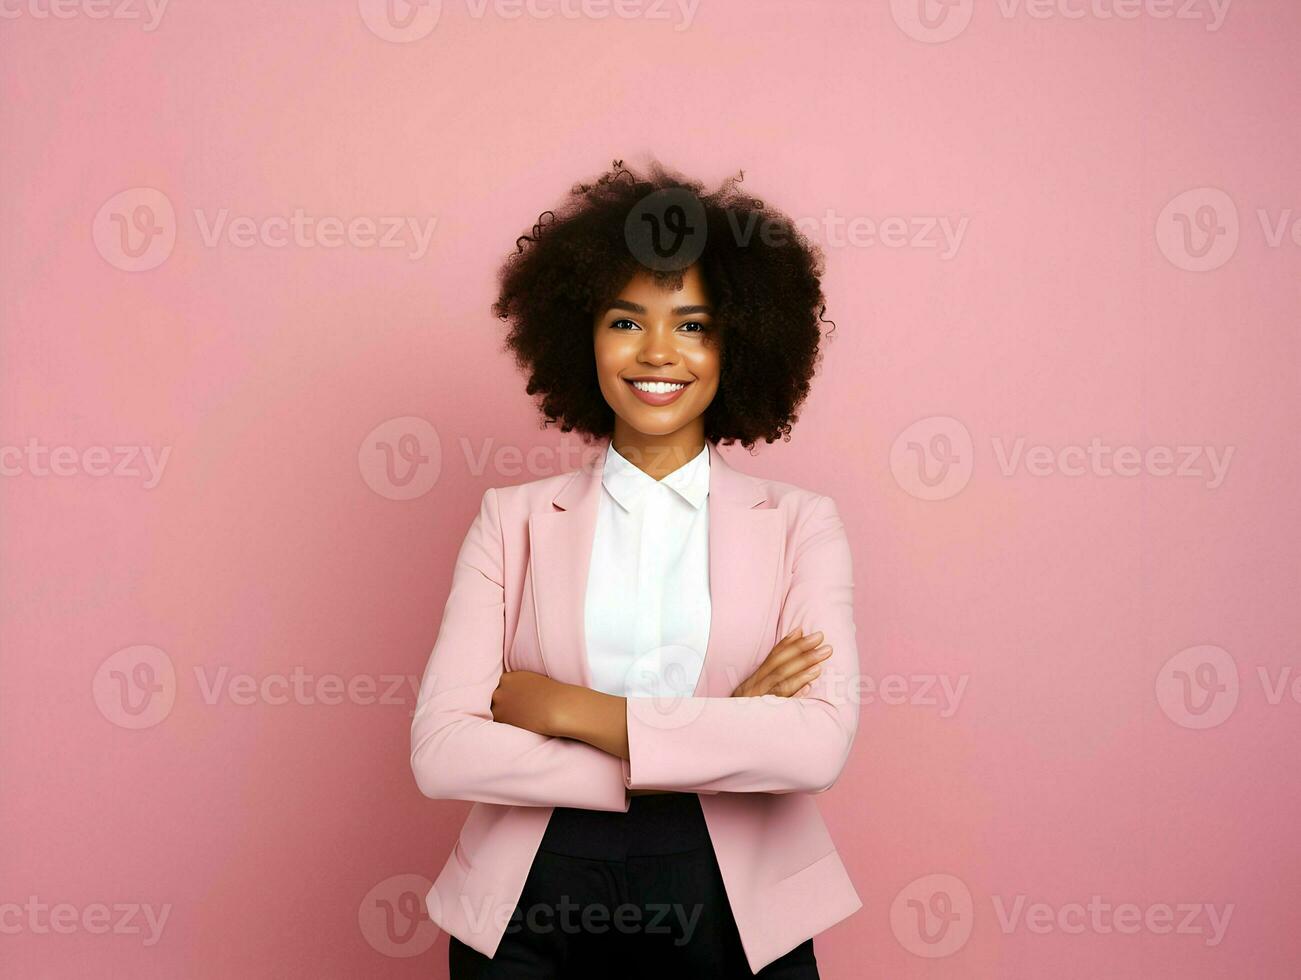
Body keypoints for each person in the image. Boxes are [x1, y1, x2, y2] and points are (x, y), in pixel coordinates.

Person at [411, 160, 862, 977]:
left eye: (693, 324)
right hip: (529, 912)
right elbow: (442, 752)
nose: (658, 352)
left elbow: (816, 747)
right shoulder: (508, 520)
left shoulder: (802, 525)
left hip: (734, 914)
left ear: (741, 342)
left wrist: (569, 708)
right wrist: (718, 731)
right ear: (580, 335)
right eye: (626, 321)